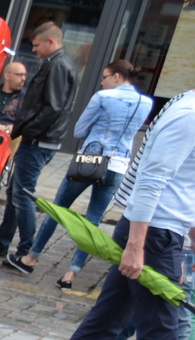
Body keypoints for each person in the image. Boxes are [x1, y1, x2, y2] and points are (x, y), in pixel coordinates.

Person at [34, 88, 195, 340]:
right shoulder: (189, 114)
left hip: (157, 232)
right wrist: (137, 246)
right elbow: (152, 180)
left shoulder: (186, 108)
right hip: (153, 234)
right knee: (161, 337)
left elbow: (182, 183)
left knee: (105, 323)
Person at [12, 60, 153, 281]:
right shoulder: (145, 102)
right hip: (118, 164)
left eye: (105, 77)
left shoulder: (103, 97)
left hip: (90, 160)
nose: (102, 82)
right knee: (93, 220)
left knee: (58, 210)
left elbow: (79, 131)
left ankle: (31, 258)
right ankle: (71, 274)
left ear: (116, 77)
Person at [0, 23, 76, 261]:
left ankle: (26, 250)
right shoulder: (57, 64)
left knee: (22, 194)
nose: (34, 50)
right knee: (16, 191)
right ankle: (3, 242)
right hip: (39, 138)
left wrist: (27, 131)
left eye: (37, 45)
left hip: (39, 140)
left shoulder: (58, 66)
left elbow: (52, 108)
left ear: (50, 42)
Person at [0, 59, 27, 129]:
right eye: (19, 75)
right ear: (7, 76)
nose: (23, 78)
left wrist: (6, 128)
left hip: (10, 134)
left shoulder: (26, 98)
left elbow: (27, 124)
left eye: (25, 75)